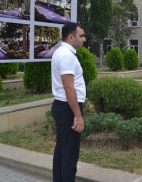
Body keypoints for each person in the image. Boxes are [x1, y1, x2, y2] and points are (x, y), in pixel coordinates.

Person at [51, 22, 86, 181]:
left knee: (62, 150)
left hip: (63, 106)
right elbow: (69, 87)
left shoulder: (62, 52)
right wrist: (77, 116)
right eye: (81, 36)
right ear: (71, 37)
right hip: (68, 108)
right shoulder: (66, 55)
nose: (84, 39)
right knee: (70, 154)